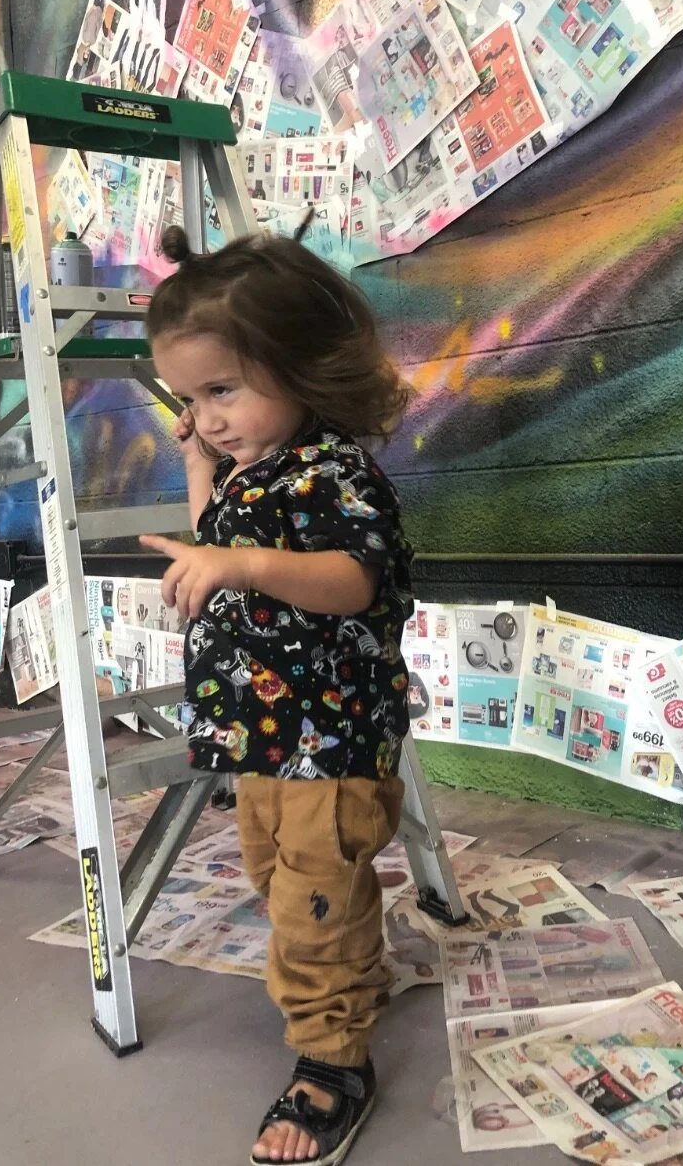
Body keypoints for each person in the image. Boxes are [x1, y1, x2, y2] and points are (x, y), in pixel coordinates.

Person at [139, 218, 413, 1166]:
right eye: (189, 400)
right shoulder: (249, 470)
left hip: (328, 739)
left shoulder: (331, 472)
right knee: (284, 880)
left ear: (300, 365)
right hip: (260, 732)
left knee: (311, 896)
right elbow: (218, 546)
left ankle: (333, 1061)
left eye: (222, 390)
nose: (207, 417)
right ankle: (350, 975)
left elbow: (353, 580)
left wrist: (244, 563)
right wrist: (199, 476)